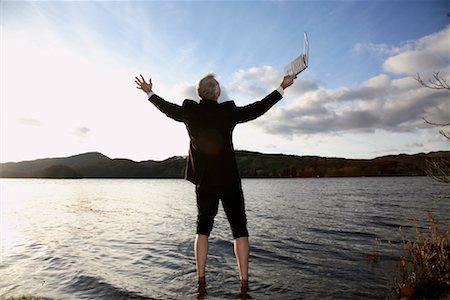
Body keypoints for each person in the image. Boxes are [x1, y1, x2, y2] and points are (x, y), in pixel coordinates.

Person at [135, 73, 296, 296]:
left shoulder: (190, 111)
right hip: (229, 179)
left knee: (202, 229)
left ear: (200, 93)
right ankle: (244, 282)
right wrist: (281, 88)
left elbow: (167, 108)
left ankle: (200, 280)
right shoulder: (227, 112)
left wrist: (149, 92)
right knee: (239, 229)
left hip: (204, 181)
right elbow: (257, 108)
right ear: (217, 93)